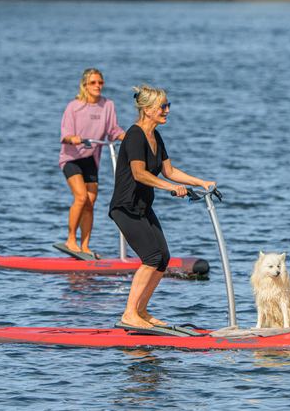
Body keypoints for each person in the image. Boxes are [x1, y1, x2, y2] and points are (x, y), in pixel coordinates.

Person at [109, 84, 216, 329]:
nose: (167, 110)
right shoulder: (135, 134)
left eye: (168, 105)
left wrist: (201, 182)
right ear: (147, 110)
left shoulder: (155, 135)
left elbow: (169, 171)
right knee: (151, 257)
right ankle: (129, 314)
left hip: (143, 207)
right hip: (125, 207)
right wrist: (169, 188)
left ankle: (141, 311)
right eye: (163, 107)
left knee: (163, 259)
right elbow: (139, 173)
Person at [59, 68, 125, 258]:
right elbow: (65, 134)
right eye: (93, 83)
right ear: (85, 85)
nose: (97, 86)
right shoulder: (74, 106)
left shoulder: (108, 105)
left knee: (90, 202)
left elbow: (113, 129)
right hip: (71, 158)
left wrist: (125, 136)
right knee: (81, 198)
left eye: (100, 83)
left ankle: (85, 245)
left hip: (90, 159)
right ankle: (71, 239)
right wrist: (73, 138)